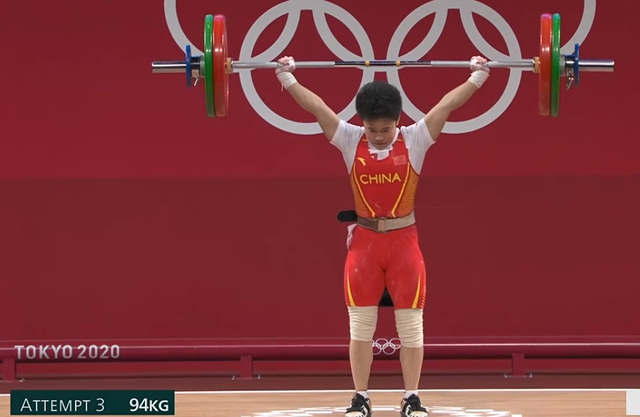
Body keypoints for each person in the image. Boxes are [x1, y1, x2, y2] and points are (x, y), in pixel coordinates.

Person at [274, 55, 490, 417]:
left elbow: (446, 105)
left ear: (398, 121)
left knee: (411, 327)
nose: (377, 136)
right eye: (372, 129)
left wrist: (478, 76)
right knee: (361, 328)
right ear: (362, 122)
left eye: (385, 129)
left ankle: (411, 397)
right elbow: (318, 107)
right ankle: (360, 398)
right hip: (365, 246)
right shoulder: (350, 139)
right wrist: (287, 78)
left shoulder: (416, 138)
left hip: (404, 244)